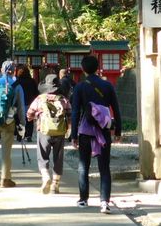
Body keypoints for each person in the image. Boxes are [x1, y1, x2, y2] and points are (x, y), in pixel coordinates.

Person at [70, 55, 122, 213]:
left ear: (83, 68)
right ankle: (104, 202)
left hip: (85, 130)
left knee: (83, 165)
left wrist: (73, 135)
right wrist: (118, 130)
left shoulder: (80, 87)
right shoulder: (107, 86)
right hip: (103, 130)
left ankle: (83, 199)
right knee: (104, 167)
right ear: (98, 67)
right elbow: (116, 109)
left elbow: (75, 111)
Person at [27, 73, 71, 194]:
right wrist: (69, 128)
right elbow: (70, 113)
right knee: (58, 157)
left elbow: (30, 113)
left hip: (44, 131)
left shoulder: (40, 99)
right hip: (60, 131)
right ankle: (55, 185)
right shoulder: (63, 99)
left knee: (42, 155)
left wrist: (33, 117)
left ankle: (46, 176)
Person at [15, 64, 39, 142]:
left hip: (20, 103)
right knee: (29, 119)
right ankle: (28, 135)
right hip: (30, 102)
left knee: (19, 119)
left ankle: (20, 135)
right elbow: (36, 93)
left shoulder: (17, 81)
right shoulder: (32, 81)